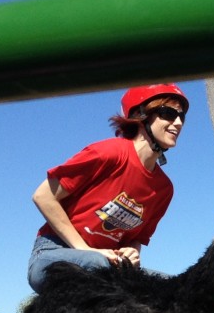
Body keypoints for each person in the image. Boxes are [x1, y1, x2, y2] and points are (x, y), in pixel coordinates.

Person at [27, 83, 189, 292]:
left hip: (109, 264)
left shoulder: (164, 189)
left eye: (181, 116)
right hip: (51, 252)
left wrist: (131, 252)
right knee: (97, 266)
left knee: (177, 289)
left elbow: (135, 238)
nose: (178, 123)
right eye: (168, 113)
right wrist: (85, 251)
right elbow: (43, 196)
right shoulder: (109, 153)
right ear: (141, 115)